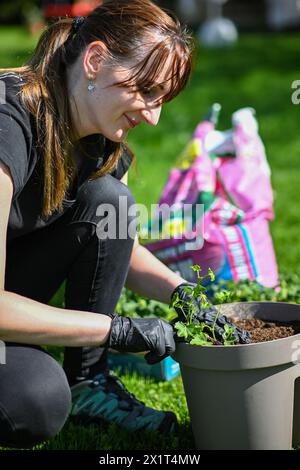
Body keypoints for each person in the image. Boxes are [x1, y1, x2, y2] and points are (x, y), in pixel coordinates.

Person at [0, 0, 249, 448]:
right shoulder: (8, 123)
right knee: (34, 400)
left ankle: (89, 383)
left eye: (162, 99)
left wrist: (182, 294)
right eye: (146, 91)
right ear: (95, 60)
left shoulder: (104, 140)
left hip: (12, 291)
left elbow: (116, 240)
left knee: (112, 201)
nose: (153, 115)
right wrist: (117, 330)